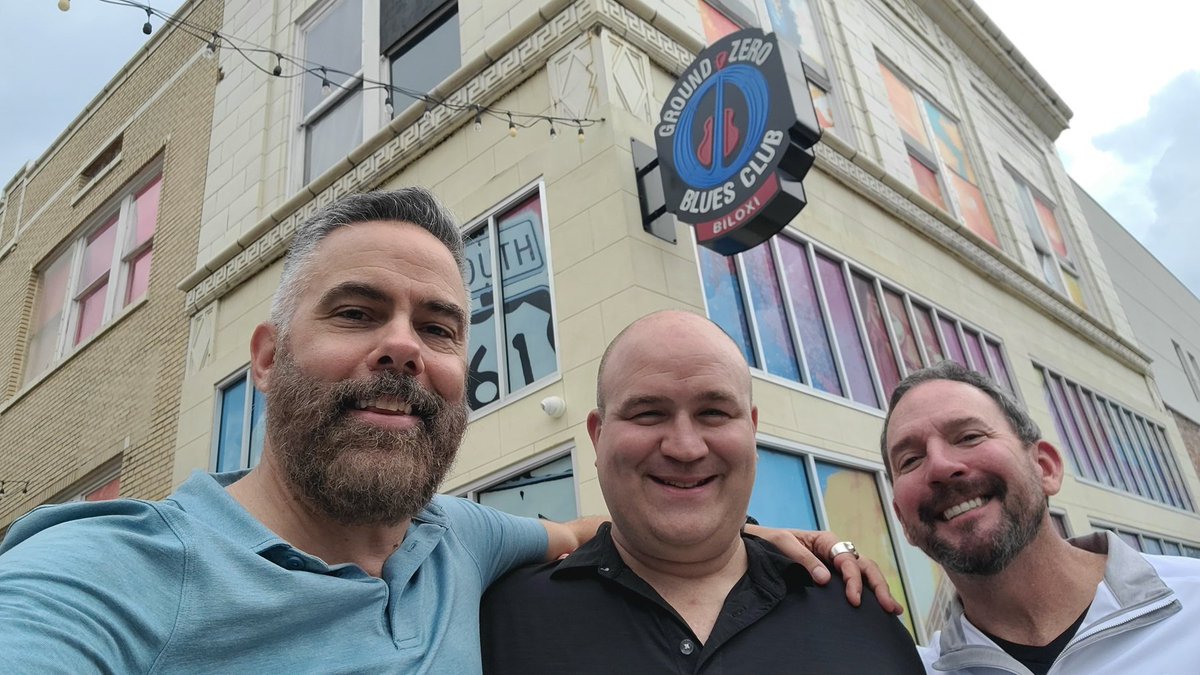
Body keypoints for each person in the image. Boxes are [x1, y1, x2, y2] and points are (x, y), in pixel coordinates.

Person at [0, 190, 884, 671]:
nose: (400, 347)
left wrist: (759, 537)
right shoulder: (111, 576)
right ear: (266, 358)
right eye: (355, 311)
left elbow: (598, 528)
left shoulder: (454, 541)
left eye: (437, 326)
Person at [481, 311, 923, 674]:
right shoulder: (499, 625)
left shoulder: (858, 613)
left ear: (752, 429)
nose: (686, 448)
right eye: (648, 413)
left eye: (713, 412)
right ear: (598, 437)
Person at [880, 361, 1200, 674]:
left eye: (969, 437)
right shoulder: (911, 667)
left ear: (1045, 467)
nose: (939, 466)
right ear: (902, 520)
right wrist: (833, 589)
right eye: (910, 460)